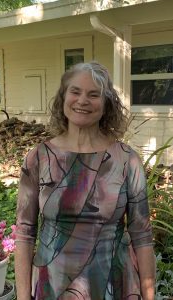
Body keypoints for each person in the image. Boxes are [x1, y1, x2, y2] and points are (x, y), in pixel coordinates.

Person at [15, 61, 156, 300]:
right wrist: (22, 296)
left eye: (94, 95)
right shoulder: (38, 159)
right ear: (63, 97)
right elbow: (24, 233)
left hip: (113, 284)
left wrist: (149, 296)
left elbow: (142, 236)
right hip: (53, 285)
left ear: (106, 104)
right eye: (75, 91)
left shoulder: (126, 160)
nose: (83, 101)